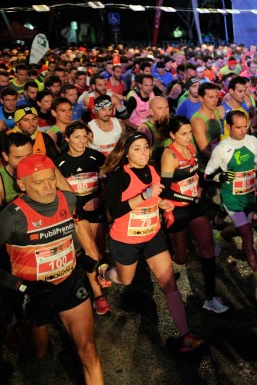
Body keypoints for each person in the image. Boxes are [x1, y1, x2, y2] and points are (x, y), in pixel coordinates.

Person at [0, 154, 104, 384]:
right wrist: (19, 286)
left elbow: (69, 229)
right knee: (39, 351)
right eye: (38, 182)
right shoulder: (10, 217)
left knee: (88, 349)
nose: (48, 188)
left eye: (50, 179)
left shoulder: (67, 199)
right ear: (22, 184)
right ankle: (17, 329)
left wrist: (82, 256)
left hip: (69, 282)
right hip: (32, 291)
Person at [97, 133, 204, 353]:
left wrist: (162, 203)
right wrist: (145, 195)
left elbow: (154, 196)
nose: (144, 152)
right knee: (125, 280)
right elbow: (115, 211)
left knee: (169, 285)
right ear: (126, 153)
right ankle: (105, 273)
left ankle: (185, 335)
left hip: (152, 236)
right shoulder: (119, 176)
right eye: (137, 149)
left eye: (146, 147)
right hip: (126, 239)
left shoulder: (152, 169)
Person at [160, 116, 228, 313]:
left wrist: (214, 179)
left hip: (193, 207)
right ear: (172, 135)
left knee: (207, 251)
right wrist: (187, 197)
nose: (189, 137)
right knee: (181, 258)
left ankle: (209, 297)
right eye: (183, 134)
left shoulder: (189, 149)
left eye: (190, 133)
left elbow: (196, 175)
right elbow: (163, 190)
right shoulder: (169, 156)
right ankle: (162, 257)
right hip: (176, 209)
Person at [206, 110, 257, 287]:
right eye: (238, 127)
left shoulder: (252, 140)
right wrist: (220, 177)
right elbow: (207, 175)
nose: (243, 131)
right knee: (247, 235)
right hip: (232, 198)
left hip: (248, 196)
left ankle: (219, 235)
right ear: (228, 127)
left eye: (245, 126)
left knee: (242, 227)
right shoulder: (221, 149)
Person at [55, 121, 110, 316]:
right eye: (76, 137)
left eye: (84, 137)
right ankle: (98, 295)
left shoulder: (96, 157)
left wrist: (99, 199)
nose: (81, 141)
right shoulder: (60, 162)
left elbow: (107, 184)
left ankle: (99, 276)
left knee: (97, 251)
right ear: (67, 138)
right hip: (78, 214)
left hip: (96, 208)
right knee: (91, 251)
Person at [0, 132, 33, 208]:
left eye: (29, 155)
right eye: (18, 157)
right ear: (5, 156)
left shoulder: (42, 169)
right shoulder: (1, 181)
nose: (25, 162)